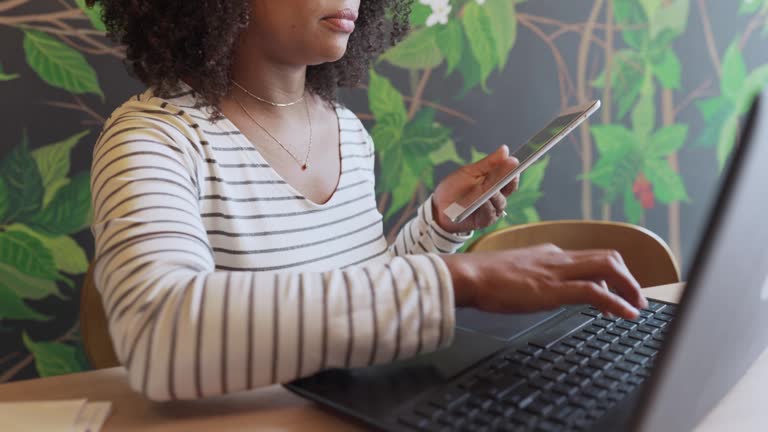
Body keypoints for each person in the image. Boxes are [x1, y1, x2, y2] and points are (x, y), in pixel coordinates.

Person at [87, 0, 647, 401]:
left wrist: (438, 229)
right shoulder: (153, 139)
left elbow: (357, 303)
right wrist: (464, 282)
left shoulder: (348, 132)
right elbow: (157, 334)